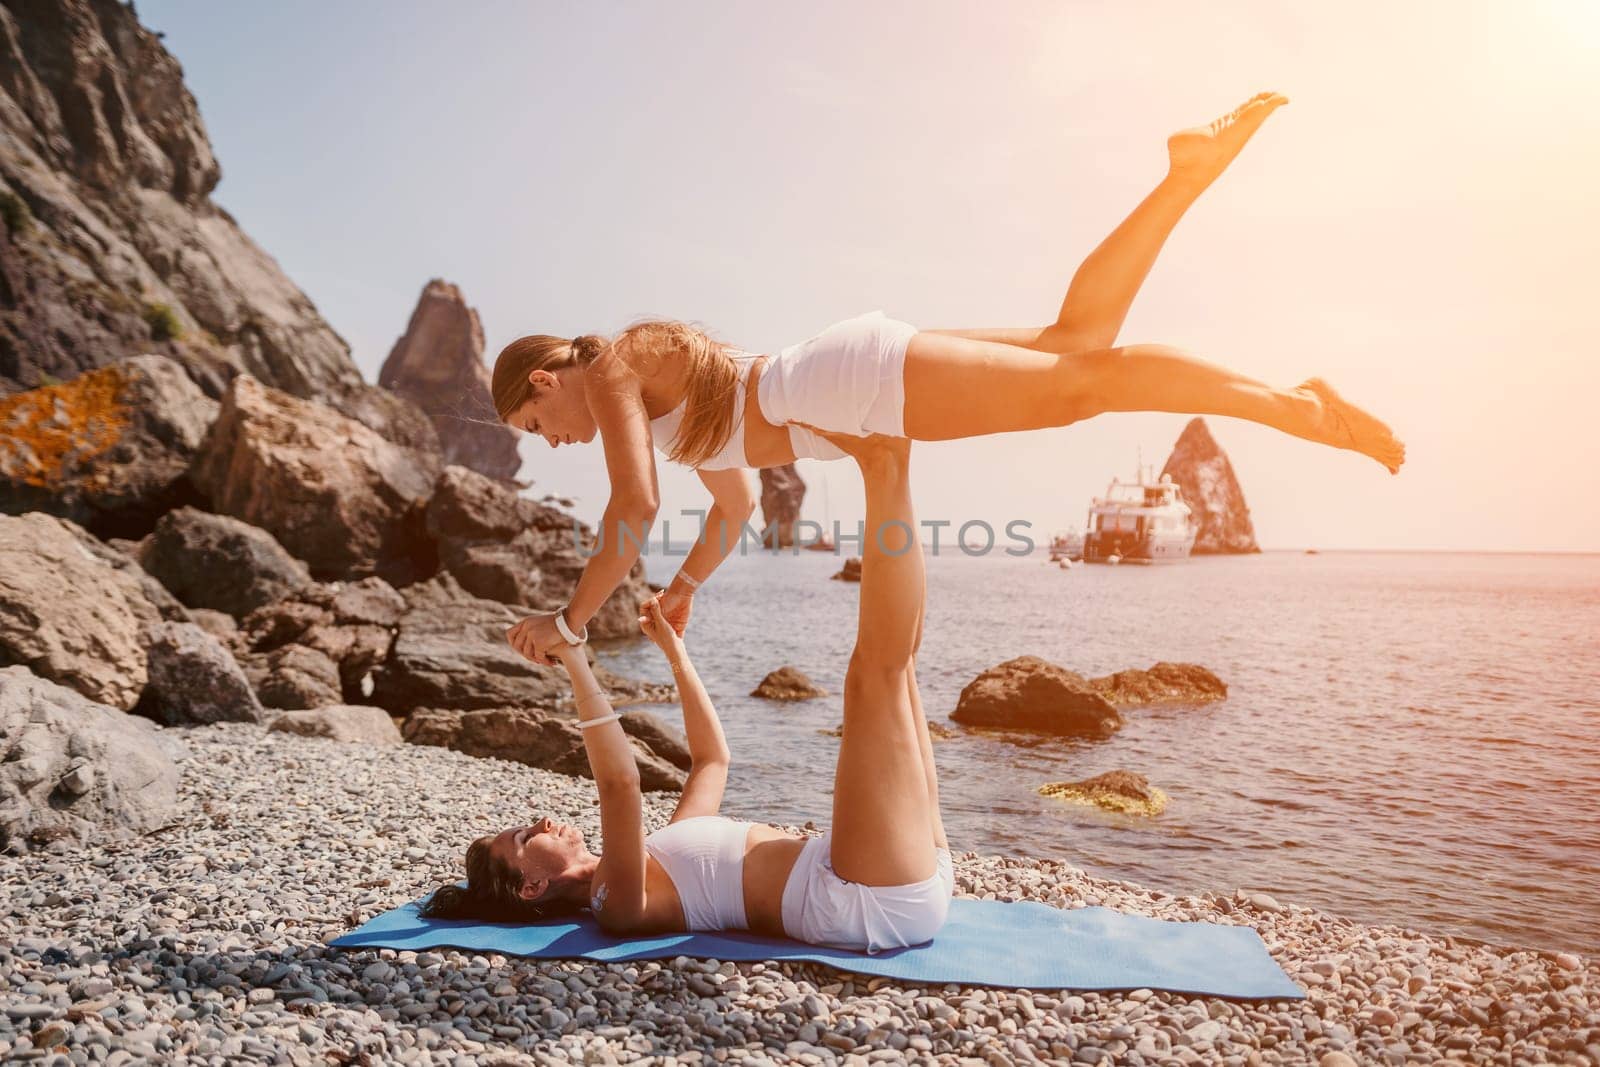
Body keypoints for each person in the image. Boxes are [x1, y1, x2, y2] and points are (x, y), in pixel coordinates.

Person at [493, 92, 1405, 662]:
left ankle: (1291, 405)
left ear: (543, 380)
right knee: (1076, 342)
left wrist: (569, 621)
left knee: (1079, 390)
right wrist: (687, 586)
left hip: (837, 386)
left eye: (540, 430)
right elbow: (731, 508)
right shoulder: (661, 407)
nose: (557, 444)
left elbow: (632, 510)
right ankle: (1185, 176)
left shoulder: (611, 363)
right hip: (833, 379)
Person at [425, 432, 954, 954]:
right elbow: (620, 783)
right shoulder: (614, 903)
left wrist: (675, 652)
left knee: (900, 668)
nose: (538, 821)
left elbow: (711, 761)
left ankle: (892, 454)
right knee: (872, 675)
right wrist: (573, 655)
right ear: (532, 887)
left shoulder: (658, 852)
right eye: (523, 839)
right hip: (861, 898)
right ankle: (883, 455)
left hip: (889, 871)